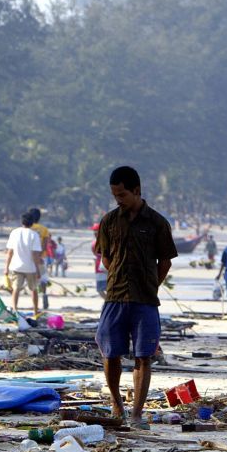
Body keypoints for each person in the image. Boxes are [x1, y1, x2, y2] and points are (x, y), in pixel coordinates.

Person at [95, 166, 177, 428]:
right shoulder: (109, 222)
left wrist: (150, 284)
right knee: (110, 353)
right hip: (115, 297)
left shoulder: (157, 223)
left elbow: (165, 262)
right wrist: (120, 276)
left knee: (144, 356)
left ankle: (137, 413)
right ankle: (117, 404)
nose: (118, 199)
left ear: (137, 191)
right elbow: (106, 258)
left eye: (122, 194)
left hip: (145, 299)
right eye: (115, 195)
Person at [4, 212, 43, 314]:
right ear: (32, 223)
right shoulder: (34, 235)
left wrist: (6, 268)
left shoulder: (14, 232)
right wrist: (38, 270)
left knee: (16, 288)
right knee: (33, 289)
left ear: (22, 222)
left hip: (16, 266)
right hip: (30, 267)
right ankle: (35, 310)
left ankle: (15, 309)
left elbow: (10, 252)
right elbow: (35, 254)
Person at [29, 207, 52, 310]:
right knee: (42, 278)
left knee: (32, 279)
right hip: (42, 258)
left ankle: (34, 302)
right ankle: (44, 295)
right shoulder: (44, 229)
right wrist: (40, 255)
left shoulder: (28, 228)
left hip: (29, 257)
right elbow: (45, 244)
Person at [92, 223, 107, 298]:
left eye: (95, 231)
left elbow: (94, 252)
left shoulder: (97, 242)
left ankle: (109, 303)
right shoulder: (106, 240)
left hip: (101, 267)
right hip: (102, 267)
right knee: (104, 288)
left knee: (100, 289)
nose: (94, 233)